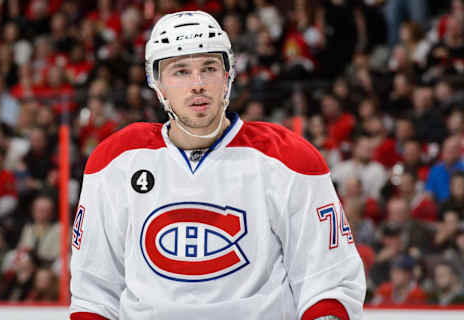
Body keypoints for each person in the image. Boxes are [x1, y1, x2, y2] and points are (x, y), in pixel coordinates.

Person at [69, 11, 365, 320]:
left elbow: (328, 283)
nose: (197, 84)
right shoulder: (116, 162)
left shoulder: (287, 160)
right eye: (180, 71)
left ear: (228, 74)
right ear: (156, 83)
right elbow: (94, 293)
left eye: (208, 68)